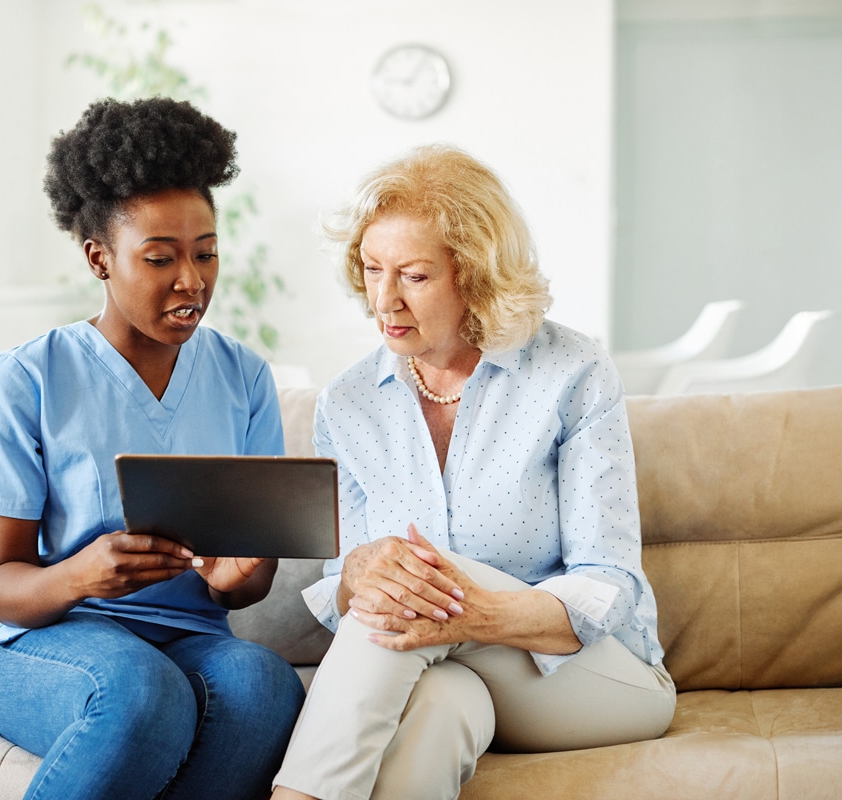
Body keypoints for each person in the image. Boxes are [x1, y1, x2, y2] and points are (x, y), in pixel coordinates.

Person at [271, 145, 676, 800]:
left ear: (476, 276)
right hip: (447, 671)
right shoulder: (348, 403)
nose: (384, 299)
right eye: (372, 270)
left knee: (414, 573)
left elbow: (610, 581)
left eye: (415, 276)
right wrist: (358, 569)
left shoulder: (570, 373)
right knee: (436, 707)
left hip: (591, 678)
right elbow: (347, 590)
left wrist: (475, 615)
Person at [0, 97, 305, 800]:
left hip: (191, 635)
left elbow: (251, 582)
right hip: (50, 642)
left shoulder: (244, 378)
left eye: (206, 253)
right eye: (160, 258)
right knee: (142, 689)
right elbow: (3, 585)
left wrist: (238, 576)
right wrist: (81, 575)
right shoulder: (26, 379)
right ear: (100, 258)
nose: (192, 280)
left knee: (265, 685)